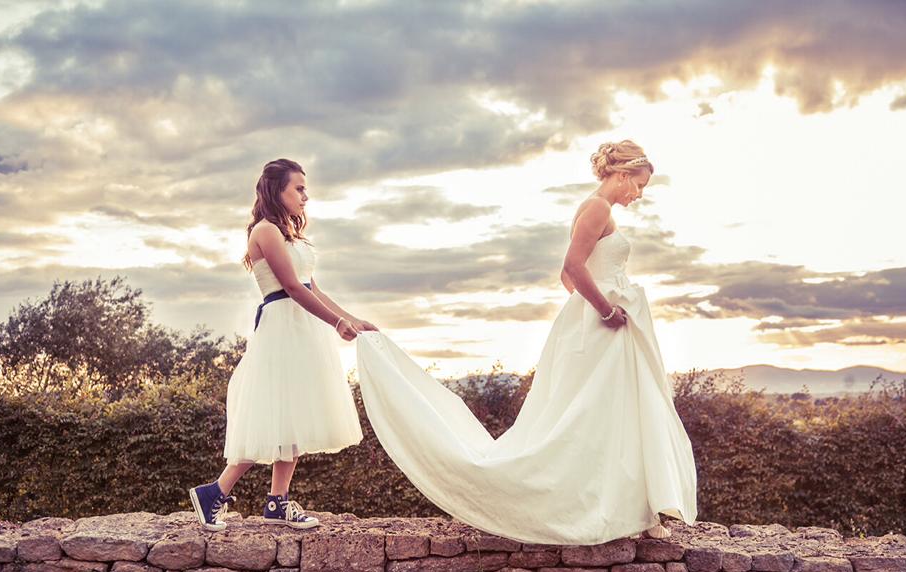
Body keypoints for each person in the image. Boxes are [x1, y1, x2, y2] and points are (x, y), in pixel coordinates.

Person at [355, 141, 697, 544]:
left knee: (613, 413)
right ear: (622, 175)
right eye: (638, 185)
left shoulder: (596, 208)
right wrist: (605, 310)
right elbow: (571, 268)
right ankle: (616, 510)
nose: (638, 194)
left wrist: (593, 307)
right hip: (604, 325)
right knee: (598, 414)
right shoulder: (597, 208)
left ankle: (630, 509)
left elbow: (569, 279)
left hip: (601, 325)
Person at [189, 159, 376, 532]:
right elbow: (290, 287)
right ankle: (215, 492)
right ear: (278, 191)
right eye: (299, 189)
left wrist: (352, 319)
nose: (305, 196)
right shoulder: (266, 231)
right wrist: (336, 323)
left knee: (294, 413)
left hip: (302, 328)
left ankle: (277, 502)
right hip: (282, 328)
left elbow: (312, 288)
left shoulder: (291, 235)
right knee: (271, 414)